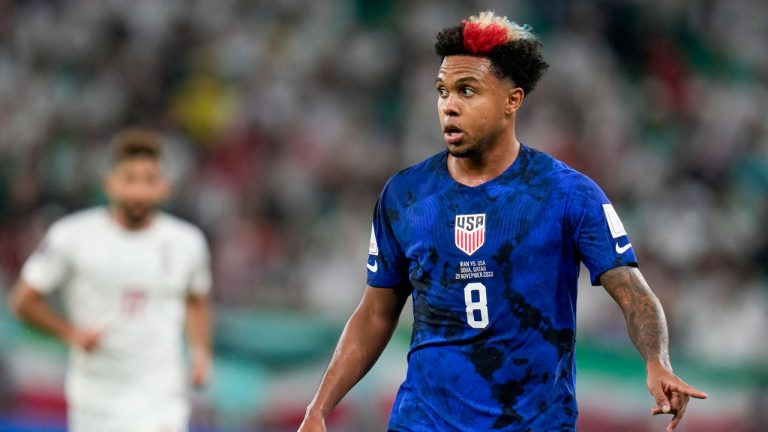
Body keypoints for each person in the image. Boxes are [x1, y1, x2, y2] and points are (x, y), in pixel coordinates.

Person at [299, 11, 706, 432]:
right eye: (442, 91)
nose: (449, 106)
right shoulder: (405, 196)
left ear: (512, 100)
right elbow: (375, 314)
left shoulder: (568, 194)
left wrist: (657, 361)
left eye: (467, 91)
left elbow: (631, 289)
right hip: (424, 422)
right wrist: (320, 407)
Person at [9, 128, 212, 432]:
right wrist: (70, 333)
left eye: (149, 181)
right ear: (110, 183)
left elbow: (196, 299)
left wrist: (200, 352)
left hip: (161, 397)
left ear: (164, 188)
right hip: (97, 400)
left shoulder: (188, 242)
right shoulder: (71, 236)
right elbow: (23, 301)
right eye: (130, 179)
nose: (139, 192)